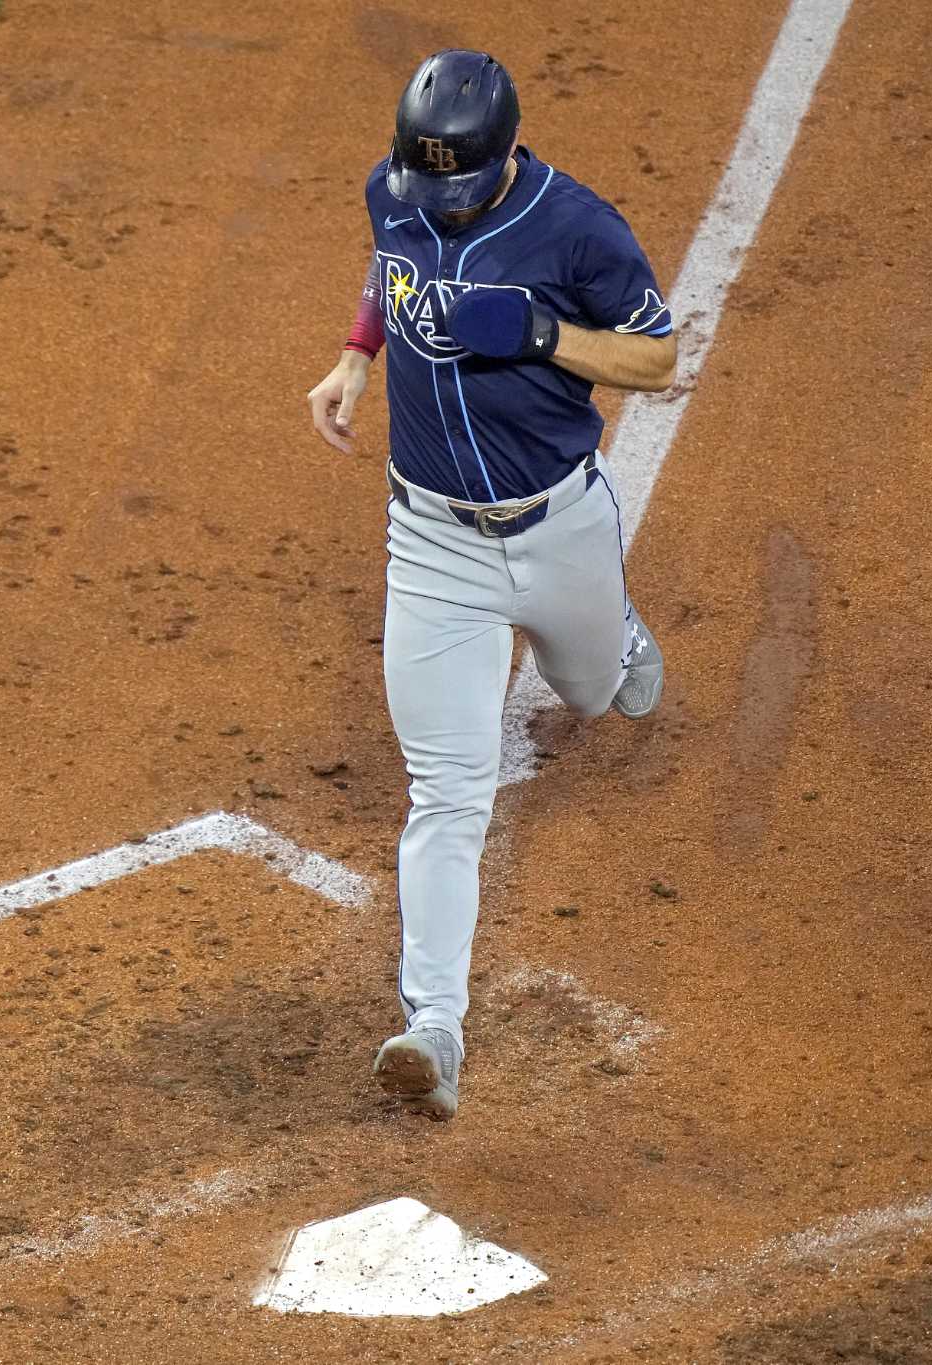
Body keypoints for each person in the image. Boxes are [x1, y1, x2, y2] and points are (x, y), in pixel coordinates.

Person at [304, 50, 677, 1120]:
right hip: (431, 546)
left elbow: (655, 358)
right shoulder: (396, 188)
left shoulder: (579, 229)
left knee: (601, 692)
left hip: (558, 526)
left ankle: (611, 636)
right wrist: (355, 358)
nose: (439, 205)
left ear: (508, 152)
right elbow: (390, 263)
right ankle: (434, 1025)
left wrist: (544, 334)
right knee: (446, 794)